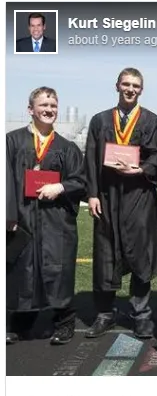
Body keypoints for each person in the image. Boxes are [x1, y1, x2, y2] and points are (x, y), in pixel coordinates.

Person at [85, 67, 157, 339]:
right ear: (117, 86)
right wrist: (92, 194)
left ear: (141, 90)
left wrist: (142, 169)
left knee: (140, 256)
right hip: (108, 196)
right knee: (105, 256)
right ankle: (105, 314)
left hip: (139, 197)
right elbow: (90, 158)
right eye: (126, 84)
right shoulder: (100, 121)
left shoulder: (153, 121)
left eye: (135, 85)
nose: (130, 89)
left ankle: (141, 314)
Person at [6, 86, 86, 345]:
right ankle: (20, 324)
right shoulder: (12, 141)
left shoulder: (67, 147)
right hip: (23, 217)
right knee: (22, 269)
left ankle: (63, 322)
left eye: (53, 106)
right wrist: (8, 214)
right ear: (31, 109)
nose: (49, 110)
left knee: (57, 269)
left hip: (56, 220)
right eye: (43, 105)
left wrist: (61, 186)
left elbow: (81, 181)